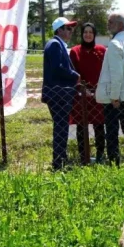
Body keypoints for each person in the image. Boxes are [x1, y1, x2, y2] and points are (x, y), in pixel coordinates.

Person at [96, 13, 124, 166]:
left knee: (112, 132)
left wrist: (114, 97)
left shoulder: (115, 44)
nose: (108, 24)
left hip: (117, 97)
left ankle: (115, 163)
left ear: (120, 25)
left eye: (111, 22)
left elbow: (117, 74)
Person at [42, 17, 79, 170]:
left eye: (71, 29)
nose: (71, 31)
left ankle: (61, 158)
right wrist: (75, 75)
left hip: (58, 93)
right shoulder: (55, 45)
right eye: (68, 28)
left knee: (61, 127)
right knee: (60, 127)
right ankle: (59, 162)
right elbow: (59, 68)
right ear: (59, 30)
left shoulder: (57, 44)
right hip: (59, 93)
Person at [69, 23, 106, 164]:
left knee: (99, 125)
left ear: (94, 34)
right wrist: (82, 89)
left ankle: (100, 155)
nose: (88, 34)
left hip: (98, 94)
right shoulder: (75, 51)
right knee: (81, 126)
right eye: (85, 32)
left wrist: (98, 90)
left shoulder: (102, 50)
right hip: (81, 95)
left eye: (91, 32)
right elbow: (73, 73)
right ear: (82, 34)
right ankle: (83, 156)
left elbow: (105, 72)